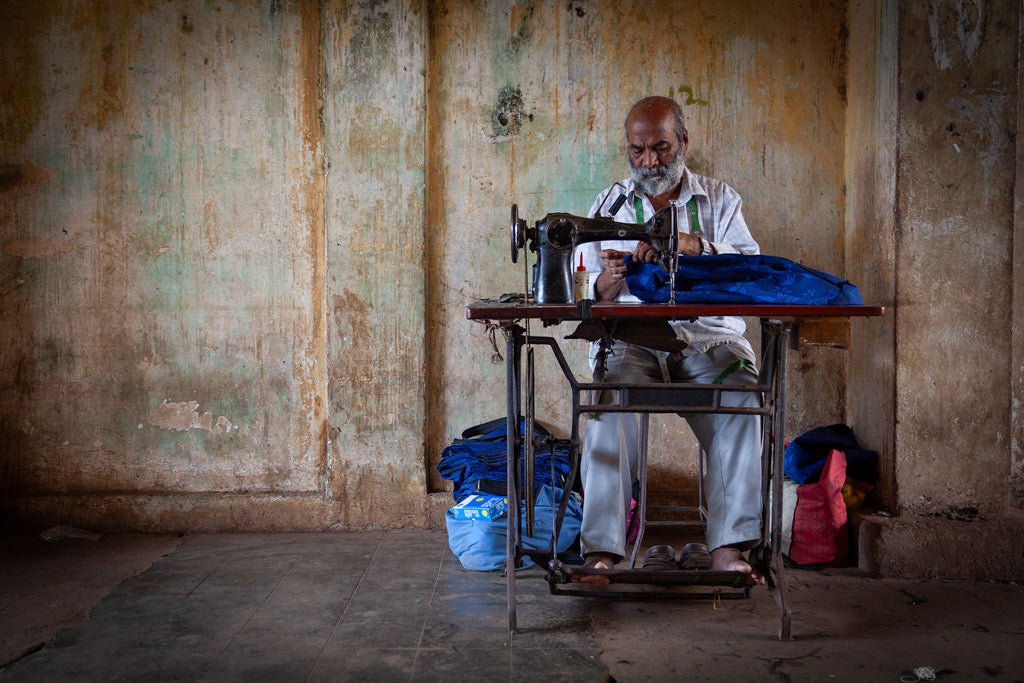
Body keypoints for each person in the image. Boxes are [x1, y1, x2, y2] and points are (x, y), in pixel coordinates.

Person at [573, 96, 765, 584]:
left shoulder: (720, 201)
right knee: (605, 407)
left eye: (660, 147)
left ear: (684, 142)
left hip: (706, 340)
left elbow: (750, 269)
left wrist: (695, 247)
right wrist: (605, 285)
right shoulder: (609, 205)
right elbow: (586, 287)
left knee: (742, 400)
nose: (649, 162)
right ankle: (602, 552)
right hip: (632, 340)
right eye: (637, 150)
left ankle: (728, 549)